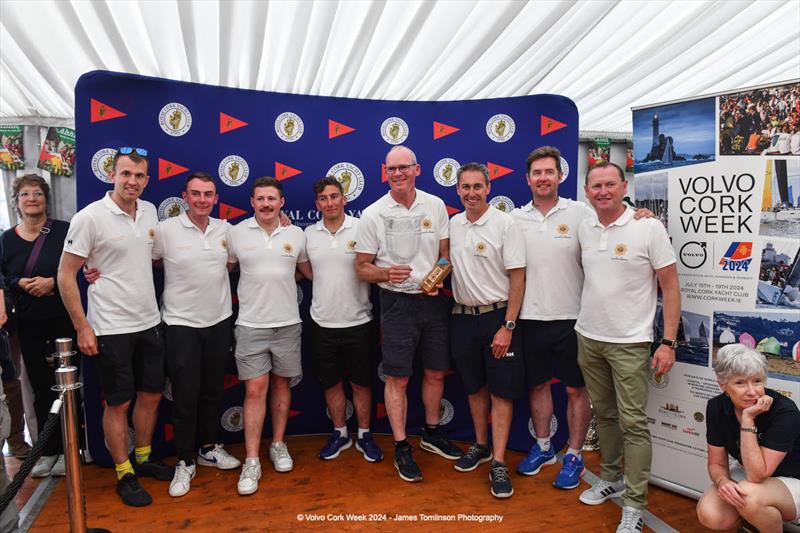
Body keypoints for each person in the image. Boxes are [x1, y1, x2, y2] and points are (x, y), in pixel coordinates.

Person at [58, 147, 173, 507]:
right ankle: (124, 472)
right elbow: (65, 275)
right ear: (113, 175)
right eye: (126, 174)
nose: (132, 182)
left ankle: (143, 457)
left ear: (147, 179)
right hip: (110, 327)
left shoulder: (151, 211)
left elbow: (148, 258)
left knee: (152, 395)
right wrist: (83, 327)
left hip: (150, 321)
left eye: (139, 176)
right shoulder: (90, 217)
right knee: (119, 403)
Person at [574, 161, 680, 533]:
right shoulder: (583, 226)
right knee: (604, 415)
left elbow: (670, 287)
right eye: (595, 186)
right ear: (586, 191)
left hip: (631, 343)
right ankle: (612, 477)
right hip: (588, 337)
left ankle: (634, 504)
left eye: (609, 184)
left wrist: (668, 342)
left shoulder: (648, 227)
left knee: (634, 424)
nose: (602, 191)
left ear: (623, 187)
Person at [355, 145, 463, 483]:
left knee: (434, 372)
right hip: (396, 303)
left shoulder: (435, 206)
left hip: (433, 302)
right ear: (384, 172)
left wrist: (433, 282)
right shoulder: (373, 213)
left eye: (404, 167)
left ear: (417, 169)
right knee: (398, 378)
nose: (398, 173)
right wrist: (386, 274)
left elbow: (445, 257)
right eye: (392, 169)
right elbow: (361, 268)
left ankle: (431, 433)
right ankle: (402, 445)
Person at [510, 146, 594, 489]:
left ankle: (574, 454)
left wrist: (642, 215)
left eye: (549, 172)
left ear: (561, 176)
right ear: (527, 179)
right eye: (537, 173)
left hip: (573, 320)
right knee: (538, 386)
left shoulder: (581, 213)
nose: (543, 178)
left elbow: (615, 223)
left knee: (576, 390)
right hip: (530, 320)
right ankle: (544, 447)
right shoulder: (515, 218)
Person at [152, 173, 241, 497]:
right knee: (186, 396)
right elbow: (146, 260)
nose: (202, 199)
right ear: (184, 197)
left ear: (216, 198)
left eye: (208, 194)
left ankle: (207, 448)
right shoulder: (165, 231)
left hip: (218, 321)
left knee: (213, 391)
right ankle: (184, 461)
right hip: (180, 324)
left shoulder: (226, 230)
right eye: (196, 194)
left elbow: (230, 264)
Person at [227, 176, 308, 495]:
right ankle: (251, 460)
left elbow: (305, 271)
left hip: (288, 324)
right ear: (252, 202)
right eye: (260, 199)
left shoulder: (296, 234)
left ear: (281, 202)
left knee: (281, 384)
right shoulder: (235, 233)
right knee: (255, 390)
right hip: (249, 325)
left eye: (271, 199)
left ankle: (277, 444)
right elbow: (224, 268)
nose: (266, 204)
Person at [448, 163, 525, 498]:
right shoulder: (453, 224)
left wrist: (507, 326)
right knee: (474, 389)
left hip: (498, 319)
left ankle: (498, 462)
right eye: (465, 187)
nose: (471, 193)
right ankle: (480, 446)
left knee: (500, 393)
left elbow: (518, 278)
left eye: (477, 187)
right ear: (458, 191)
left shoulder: (505, 224)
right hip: (462, 318)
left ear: (488, 188)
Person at [298, 177, 383, 462]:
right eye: (324, 198)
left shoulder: (362, 228)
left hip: (359, 322)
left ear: (344, 199)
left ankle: (365, 434)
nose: (330, 202)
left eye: (335, 196)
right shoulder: (308, 234)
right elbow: (308, 272)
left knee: (361, 384)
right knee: (331, 384)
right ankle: (340, 432)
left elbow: (375, 266)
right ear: (317, 203)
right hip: (322, 324)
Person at [0, 174, 75, 478]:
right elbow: (2, 279)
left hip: (64, 319)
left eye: (38, 194)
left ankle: (73, 449)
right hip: (29, 323)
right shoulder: (6, 239)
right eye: (25, 194)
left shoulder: (63, 231)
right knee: (42, 389)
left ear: (46, 199)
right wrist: (20, 282)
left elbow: (78, 269)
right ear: (16, 202)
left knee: (69, 388)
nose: (32, 199)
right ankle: (49, 451)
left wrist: (52, 283)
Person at [696, 344, 800, 532]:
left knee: (749, 496)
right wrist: (723, 482)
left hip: (792, 478)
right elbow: (717, 464)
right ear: (722, 384)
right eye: (740, 383)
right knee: (710, 513)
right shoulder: (716, 407)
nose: (752, 391)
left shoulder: (785, 411)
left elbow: (757, 474)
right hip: (749, 474)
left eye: (757, 381)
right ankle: (750, 523)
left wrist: (747, 419)